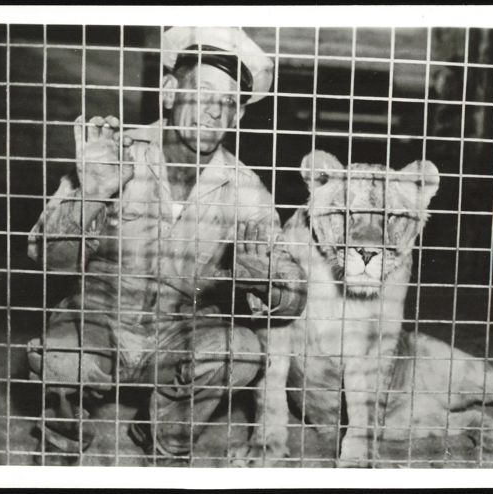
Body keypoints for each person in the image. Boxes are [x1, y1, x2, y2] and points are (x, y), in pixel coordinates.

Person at [26, 27, 306, 463]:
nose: (215, 112)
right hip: (101, 322)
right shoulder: (114, 154)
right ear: (171, 91)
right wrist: (93, 194)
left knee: (243, 350)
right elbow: (49, 260)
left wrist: (271, 284)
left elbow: (293, 296)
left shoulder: (247, 189)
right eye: (205, 92)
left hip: (181, 334)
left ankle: (165, 438)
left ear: (238, 117)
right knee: (62, 355)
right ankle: (62, 443)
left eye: (230, 102)